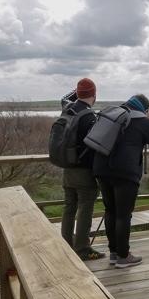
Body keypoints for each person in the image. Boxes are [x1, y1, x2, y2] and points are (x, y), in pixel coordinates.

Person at [92, 94, 149, 268]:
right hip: (125, 173)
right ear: (145, 109)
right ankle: (124, 257)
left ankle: (114, 254)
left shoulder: (115, 117)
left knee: (110, 211)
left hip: (102, 169)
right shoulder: (143, 122)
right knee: (124, 215)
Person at [60, 78, 104, 260]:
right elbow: (95, 145)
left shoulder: (67, 110)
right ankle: (83, 249)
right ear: (94, 95)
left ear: (77, 93)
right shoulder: (88, 116)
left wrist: (77, 94)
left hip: (67, 168)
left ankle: (65, 244)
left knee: (69, 207)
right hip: (83, 171)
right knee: (85, 208)